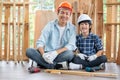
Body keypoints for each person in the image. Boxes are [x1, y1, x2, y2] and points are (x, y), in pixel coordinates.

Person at [26, 1, 76, 69]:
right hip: (47, 53)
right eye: (62, 12)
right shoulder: (50, 25)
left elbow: (71, 45)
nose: (64, 15)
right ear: (58, 13)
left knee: (70, 54)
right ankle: (52, 65)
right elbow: (40, 42)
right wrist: (43, 55)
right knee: (29, 51)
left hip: (59, 54)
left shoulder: (72, 28)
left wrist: (55, 53)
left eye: (67, 13)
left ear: (70, 15)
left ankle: (42, 63)